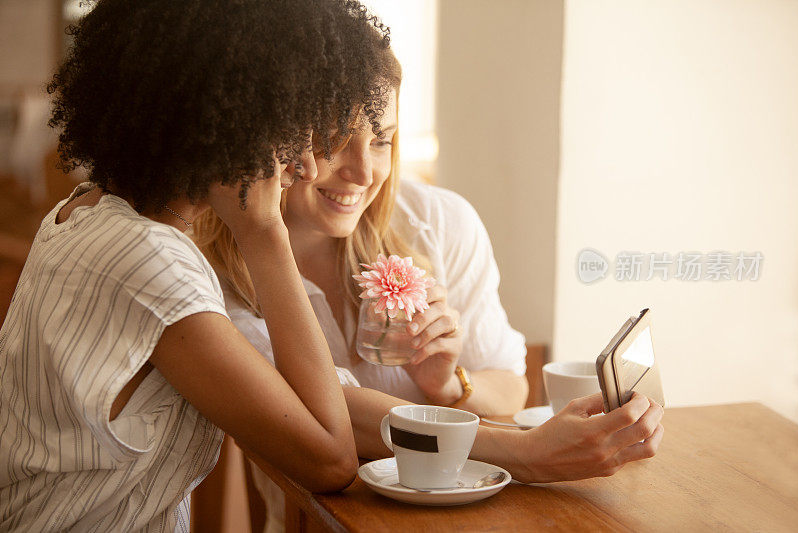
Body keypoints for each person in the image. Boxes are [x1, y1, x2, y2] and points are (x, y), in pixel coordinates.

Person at [193, 50, 665, 531]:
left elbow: (509, 386)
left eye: (381, 140)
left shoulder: (436, 222)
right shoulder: (208, 269)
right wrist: (527, 453)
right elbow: (331, 414)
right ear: (271, 139)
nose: (363, 172)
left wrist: (448, 384)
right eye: (332, 142)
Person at [0, 1, 400, 530]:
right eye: (291, 133)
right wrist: (264, 234)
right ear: (220, 116)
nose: (304, 166)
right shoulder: (149, 262)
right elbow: (331, 458)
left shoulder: (82, 212)